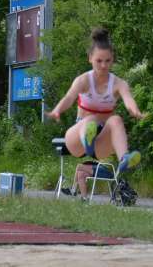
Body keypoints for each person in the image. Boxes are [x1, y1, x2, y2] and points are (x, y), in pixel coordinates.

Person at [46, 27, 144, 174]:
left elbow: (128, 98)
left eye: (108, 61)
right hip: (78, 140)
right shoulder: (83, 80)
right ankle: (87, 138)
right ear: (90, 58)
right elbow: (69, 97)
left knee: (116, 119)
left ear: (112, 60)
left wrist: (135, 110)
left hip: (100, 144)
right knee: (90, 119)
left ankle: (124, 158)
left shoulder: (119, 83)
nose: (104, 66)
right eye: (99, 61)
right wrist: (57, 110)